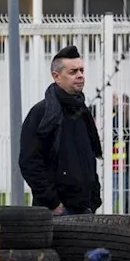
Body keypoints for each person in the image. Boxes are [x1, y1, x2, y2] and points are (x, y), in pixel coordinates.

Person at [19, 45, 103, 216]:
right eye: (73, 72)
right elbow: (30, 162)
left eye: (82, 70)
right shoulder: (42, 113)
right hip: (56, 211)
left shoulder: (82, 111)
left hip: (84, 208)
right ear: (56, 76)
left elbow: (88, 158)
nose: (80, 76)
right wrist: (53, 203)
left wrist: (94, 198)